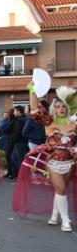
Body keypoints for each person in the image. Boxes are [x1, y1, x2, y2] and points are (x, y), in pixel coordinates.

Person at [13, 84, 76, 232]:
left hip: (70, 161)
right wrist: (32, 90)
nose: (61, 109)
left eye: (64, 106)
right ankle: (66, 220)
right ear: (54, 108)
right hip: (53, 161)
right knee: (60, 188)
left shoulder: (73, 124)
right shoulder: (49, 122)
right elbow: (35, 110)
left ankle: (54, 215)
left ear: (68, 108)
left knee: (61, 190)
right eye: (58, 106)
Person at [7, 106, 28, 179]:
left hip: (20, 142)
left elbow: (17, 132)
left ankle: (23, 176)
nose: (14, 112)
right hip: (21, 142)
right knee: (14, 158)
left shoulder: (20, 120)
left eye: (15, 111)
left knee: (19, 159)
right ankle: (19, 174)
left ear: (19, 111)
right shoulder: (24, 118)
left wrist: (13, 140)